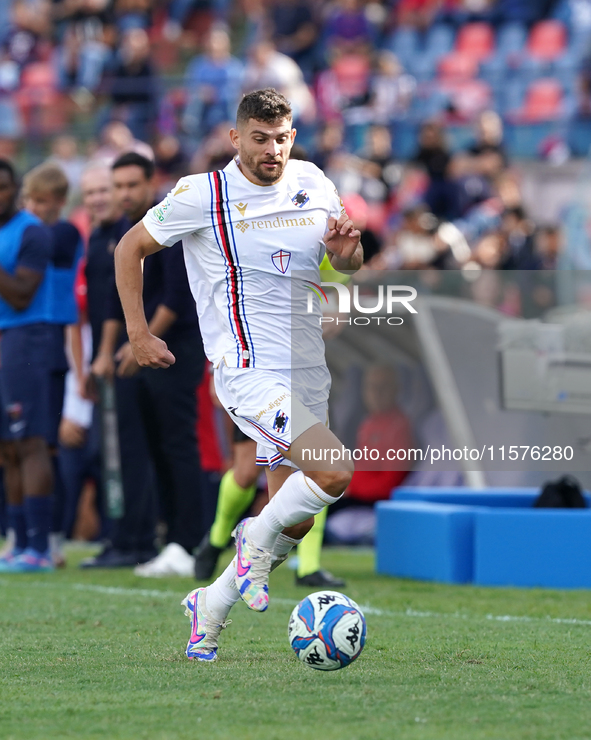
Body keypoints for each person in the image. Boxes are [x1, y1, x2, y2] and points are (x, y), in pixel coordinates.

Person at [114, 88, 363, 661]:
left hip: (307, 369)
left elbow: (342, 261)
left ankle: (212, 604)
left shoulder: (314, 182)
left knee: (289, 527)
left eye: (281, 138)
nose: (271, 149)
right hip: (246, 369)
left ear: (293, 136)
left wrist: (349, 255)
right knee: (334, 470)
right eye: (259, 138)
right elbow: (130, 248)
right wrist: (138, 331)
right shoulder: (205, 194)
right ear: (235, 137)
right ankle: (248, 538)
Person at [89, 152, 207, 575]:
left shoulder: (169, 218)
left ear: (150, 183)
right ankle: (162, 540)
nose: (124, 194)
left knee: (177, 444)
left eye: (131, 185)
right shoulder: (121, 230)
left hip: (176, 348)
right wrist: (111, 349)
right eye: (117, 186)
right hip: (138, 349)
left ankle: (188, 542)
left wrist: (142, 339)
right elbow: (108, 301)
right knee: (150, 448)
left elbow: (177, 295)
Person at [21, 162, 84, 567]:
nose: (37, 208)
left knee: (43, 446)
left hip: (47, 341)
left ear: (61, 203)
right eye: (32, 201)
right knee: (25, 446)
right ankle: (28, 536)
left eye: (45, 201)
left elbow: (39, 247)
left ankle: (50, 539)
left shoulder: (63, 233)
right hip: (27, 341)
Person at [0, 159, 56, 572]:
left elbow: (20, 293)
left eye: (2, 188)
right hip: (5, 343)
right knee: (7, 449)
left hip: (26, 341)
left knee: (31, 443)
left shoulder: (30, 231)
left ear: (15, 189)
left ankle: (39, 546)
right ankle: (18, 543)